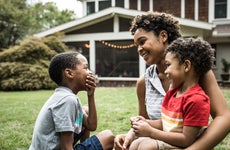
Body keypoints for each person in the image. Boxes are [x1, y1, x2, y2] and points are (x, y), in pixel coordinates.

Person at [114, 11, 230, 150]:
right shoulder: (143, 83)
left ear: (163, 36)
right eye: (136, 45)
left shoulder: (196, 72)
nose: (139, 49)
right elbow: (146, 127)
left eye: (142, 41)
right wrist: (130, 136)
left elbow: (224, 117)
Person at [128, 37, 213, 150]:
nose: (166, 71)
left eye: (168, 65)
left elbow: (186, 139)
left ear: (186, 66)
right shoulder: (172, 93)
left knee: (146, 146)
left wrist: (151, 132)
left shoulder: (197, 100)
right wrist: (145, 122)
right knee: (135, 144)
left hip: (184, 145)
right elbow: (166, 123)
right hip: (169, 141)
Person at [29, 52, 114, 150]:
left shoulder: (66, 95)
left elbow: (91, 125)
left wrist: (91, 96)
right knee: (108, 137)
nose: (90, 73)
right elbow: (66, 147)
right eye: (86, 68)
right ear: (69, 73)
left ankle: (85, 144)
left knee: (85, 110)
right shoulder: (67, 100)